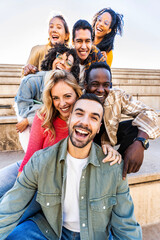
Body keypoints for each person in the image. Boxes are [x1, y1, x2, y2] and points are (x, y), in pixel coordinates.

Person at [0, 93, 142, 240]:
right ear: (69, 119)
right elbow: (10, 208)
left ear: (99, 128)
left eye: (93, 118)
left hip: (94, 235)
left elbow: (126, 227)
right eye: (79, 114)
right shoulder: (41, 161)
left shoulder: (113, 168)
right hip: (51, 230)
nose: (84, 122)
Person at [85, 62, 160, 179]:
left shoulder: (116, 96)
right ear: (86, 85)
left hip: (106, 140)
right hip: (85, 141)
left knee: (136, 129)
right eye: (95, 84)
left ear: (110, 85)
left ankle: (117, 166)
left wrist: (140, 142)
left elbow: (150, 112)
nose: (100, 90)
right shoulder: (77, 98)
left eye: (106, 85)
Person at [15, 43, 80, 152]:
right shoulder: (31, 81)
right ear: (52, 59)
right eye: (59, 57)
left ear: (71, 71)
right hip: (31, 129)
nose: (62, 62)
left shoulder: (71, 88)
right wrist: (30, 119)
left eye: (68, 62)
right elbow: (23, 112)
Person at [72, 19, 106, 86]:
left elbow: (106, 82)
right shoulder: (67, 57)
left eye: (87, 41)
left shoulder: (96, 54)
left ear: (91, 42)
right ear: (73, 42)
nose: (84, 47)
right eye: (79, 41)